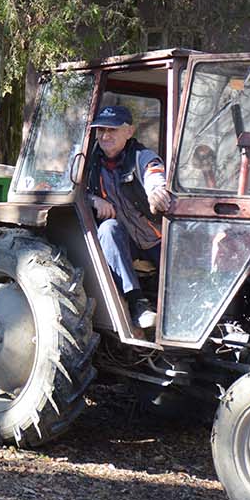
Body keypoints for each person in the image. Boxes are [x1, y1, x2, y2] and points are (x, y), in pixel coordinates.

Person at [85, 102, 174, 330]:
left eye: (112, 130)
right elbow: (71, 188)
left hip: (155, 238)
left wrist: (157, 191)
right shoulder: (88, 163)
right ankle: (137, 303)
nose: (105, 136)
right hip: (124, 242)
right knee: (108, 228)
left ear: (129, 131)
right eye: (101, 130)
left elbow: (154, 172)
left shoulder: (141, 157)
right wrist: (93, 199)